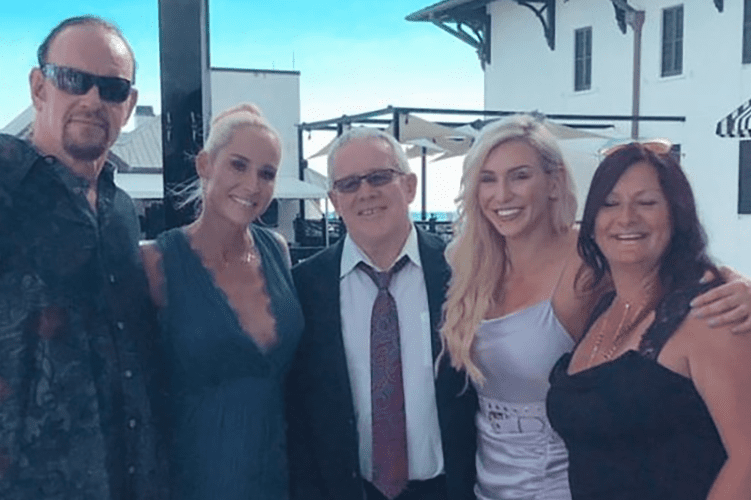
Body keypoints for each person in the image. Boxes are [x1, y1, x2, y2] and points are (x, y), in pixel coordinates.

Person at [440, 115, 751, 500]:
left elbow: (676, 269)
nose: (503, 194)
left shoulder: (590, 259)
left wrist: (742, 286)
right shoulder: (467, 265)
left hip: (563, 485)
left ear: (554, 182)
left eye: (520, 176)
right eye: (487, 179)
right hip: (485, 484)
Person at [0, 16, 167, 499]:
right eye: (73, 79)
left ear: (129, 105)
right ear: (38, 87)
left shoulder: (120, 214)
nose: (92, 100)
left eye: (112, 88)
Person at [547, 141, 751, 499]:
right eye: (610, 203)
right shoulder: (599, 306)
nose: (626, 218)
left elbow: (747, 460)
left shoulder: (711, 314)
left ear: (677, 216)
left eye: (646, 203)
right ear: (591, 222)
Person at [286, 127, 478, 500]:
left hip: (448, 489)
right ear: (334, 200)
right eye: (349, 184)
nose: (365, 192)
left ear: (409, 185)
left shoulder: (460, 272)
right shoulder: (306, 286)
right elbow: (299, 409)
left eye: (379, 177)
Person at [140, 103, 304, 500]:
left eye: (267, 173)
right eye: (238, 165)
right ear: (205, 165)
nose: (252, 184)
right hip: (194, 480)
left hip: (280, 477)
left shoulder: (277, 249)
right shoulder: (155, 262)